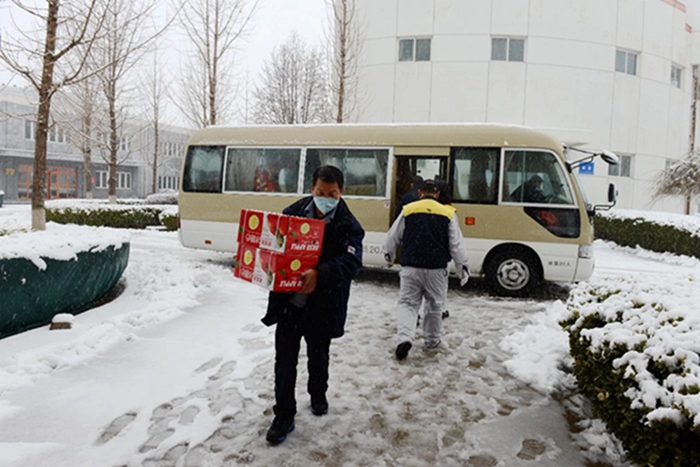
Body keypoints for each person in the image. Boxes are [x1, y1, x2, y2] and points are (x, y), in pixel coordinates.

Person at [261, 165, 365, 444]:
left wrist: (321, 273)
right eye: (321, 192)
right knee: (284, 362)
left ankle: (318, 395)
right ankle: (284, 415)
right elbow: (275, 248)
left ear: (341, 193)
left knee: (318, 357)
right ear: (312, 189)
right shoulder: (292, 214)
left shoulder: (348, 225)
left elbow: (352, 262)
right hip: (290, 305)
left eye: (332, 194)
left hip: (323, 307)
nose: (325, 199)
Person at [382, 179, 469, 360]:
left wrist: (389, 254)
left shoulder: (408, 210)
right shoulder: (448, 213)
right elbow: (456, 244)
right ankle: (432, 342)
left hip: (411, 267)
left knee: (407, 303)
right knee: (435, 306)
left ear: (420, 193)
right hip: (436, 268)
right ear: (436, 194)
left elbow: (393, 235)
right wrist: (462, 267)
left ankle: (405, 338)